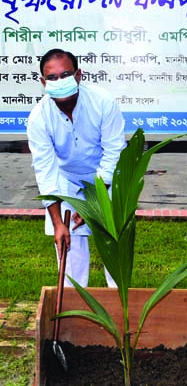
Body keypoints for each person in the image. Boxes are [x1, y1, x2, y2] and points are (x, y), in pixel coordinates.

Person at [27, 48, 125, 288]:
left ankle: (120, 312)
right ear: (42, 81)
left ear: (79, 75)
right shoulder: (38, 117)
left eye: (66, 74)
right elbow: (45, 170)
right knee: (70, 260)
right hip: (66, 182)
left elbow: (113, 153)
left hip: (105, 181)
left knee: (114, 251)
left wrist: (93, 203)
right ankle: (73, 314)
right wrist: (59, 223)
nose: (59, 81)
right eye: (52, 78)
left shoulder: (102, 102)